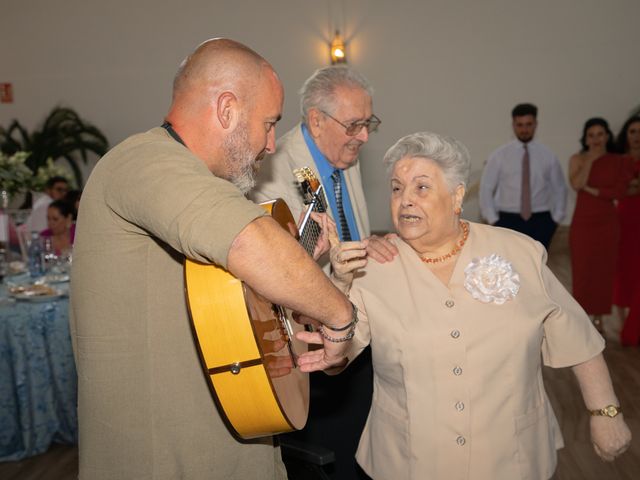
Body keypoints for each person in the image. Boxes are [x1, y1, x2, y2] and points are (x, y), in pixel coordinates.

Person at [69, 38, 356, 480]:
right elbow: (246, 242)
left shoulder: (190, 182)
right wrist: (340, 316)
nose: (270, 144)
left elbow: (220, 302)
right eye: (268, 124)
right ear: (226, 109)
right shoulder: (145, 161)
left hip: (237, 436)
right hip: (163, 460)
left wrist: (297, 261)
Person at [296, 131, 632, 480]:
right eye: (397, 188)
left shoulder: (519, 252)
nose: (405, 200)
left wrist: (605, 413)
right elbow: (337, 360)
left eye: (421, 188)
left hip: (513, 458)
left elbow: (578, 338)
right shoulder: (371, 268)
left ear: (456, 197)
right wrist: (337, 284)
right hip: (409, 460)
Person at [251, 65, 380, 480]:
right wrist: (318, 258)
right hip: (310, 337)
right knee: (329, 449)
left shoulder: (342, 155)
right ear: (316, 120)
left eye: (368, 123)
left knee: (364, 436)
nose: (364, 136)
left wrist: (367, 242)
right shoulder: (272, 173)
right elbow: (277, 275)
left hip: (356, 323)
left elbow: (348, 228)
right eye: (354, 125)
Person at [569, 117, 633, 334]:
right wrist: (590, 161)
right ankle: (582, 318)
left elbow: (619, 191)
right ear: (585, 138)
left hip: (608, 222)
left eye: (600, 134)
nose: (596, 139)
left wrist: (594, 190)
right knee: (582, 269)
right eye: (591, 135)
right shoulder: (577, 159)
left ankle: (599, 319)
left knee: (604, 271)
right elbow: (577, 184)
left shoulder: (619, 161)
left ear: (607, 136)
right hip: (583, 222)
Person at [479, 103, 567, 250]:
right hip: (507, 219)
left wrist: (556, 219)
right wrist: (493, 219)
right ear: (513, 125)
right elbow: (486, 188)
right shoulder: (499, 156)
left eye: (528, 124)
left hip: (541, 219)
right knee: (509, 265)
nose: (524, 129)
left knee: (537, 265)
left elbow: (560, 188)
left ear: (536, 125)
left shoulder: (548, 155)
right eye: (519, 125)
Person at [613, 115, 640, 345]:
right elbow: (617, 190)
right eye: (632, 131)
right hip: (624, 220)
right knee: (625, 271)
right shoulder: (619, 161)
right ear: (626, 135)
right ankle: (624, 325)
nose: (637, 136)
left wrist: (629, 186)